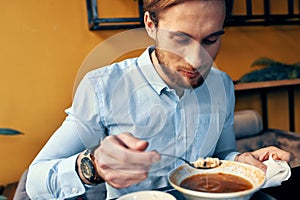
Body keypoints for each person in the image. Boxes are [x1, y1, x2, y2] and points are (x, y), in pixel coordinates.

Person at [26, 0, 292, 199]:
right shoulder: (102, 87)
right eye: (179, 39)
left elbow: (221, 155)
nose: (197, 60)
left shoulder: (221, 84)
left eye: (211, 40)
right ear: (151, 25)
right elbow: (35, 181)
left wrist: (240, 161)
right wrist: (93, 166)